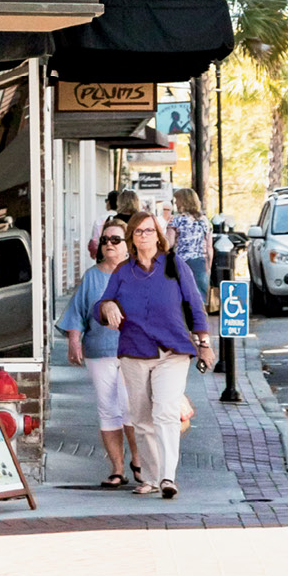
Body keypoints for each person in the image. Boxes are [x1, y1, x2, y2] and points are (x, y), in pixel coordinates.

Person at [96, 213, 213, 500]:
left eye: (149, 231)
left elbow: (195, 305)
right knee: (142, 417)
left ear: (159, 236)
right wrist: (107, 305)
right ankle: (150, 475)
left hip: (172, 351)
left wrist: (205, 342)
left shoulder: (174, 265)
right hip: (134, 351)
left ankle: (167, 477)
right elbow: (100, 306)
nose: (144, 235)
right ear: (131, 238)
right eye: (138, 231)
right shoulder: (124, 271)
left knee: (166, 411)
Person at [55, 228, 143, 487]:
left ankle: (139, 460)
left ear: (128, 244)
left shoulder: (138, 273)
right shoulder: (92, 277)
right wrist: (74, 339)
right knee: (108, 408)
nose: (109, 244)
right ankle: (117, 468)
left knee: (130, 407)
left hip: (132, 351)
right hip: (99, 350)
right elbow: (78, 311)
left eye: (116, 240)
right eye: (105, 240)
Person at [169, 188, 213, 308]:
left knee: (181, 296)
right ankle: (200, 323)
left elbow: (169, 243)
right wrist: (208, 266)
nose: (175, 203)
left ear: (183, 201)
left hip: (181, 261)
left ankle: (184, 324)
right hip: (201, 261)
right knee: (200, 299)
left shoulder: (176, 220)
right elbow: (209, 247)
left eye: (177, 200)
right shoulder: (205, 221)